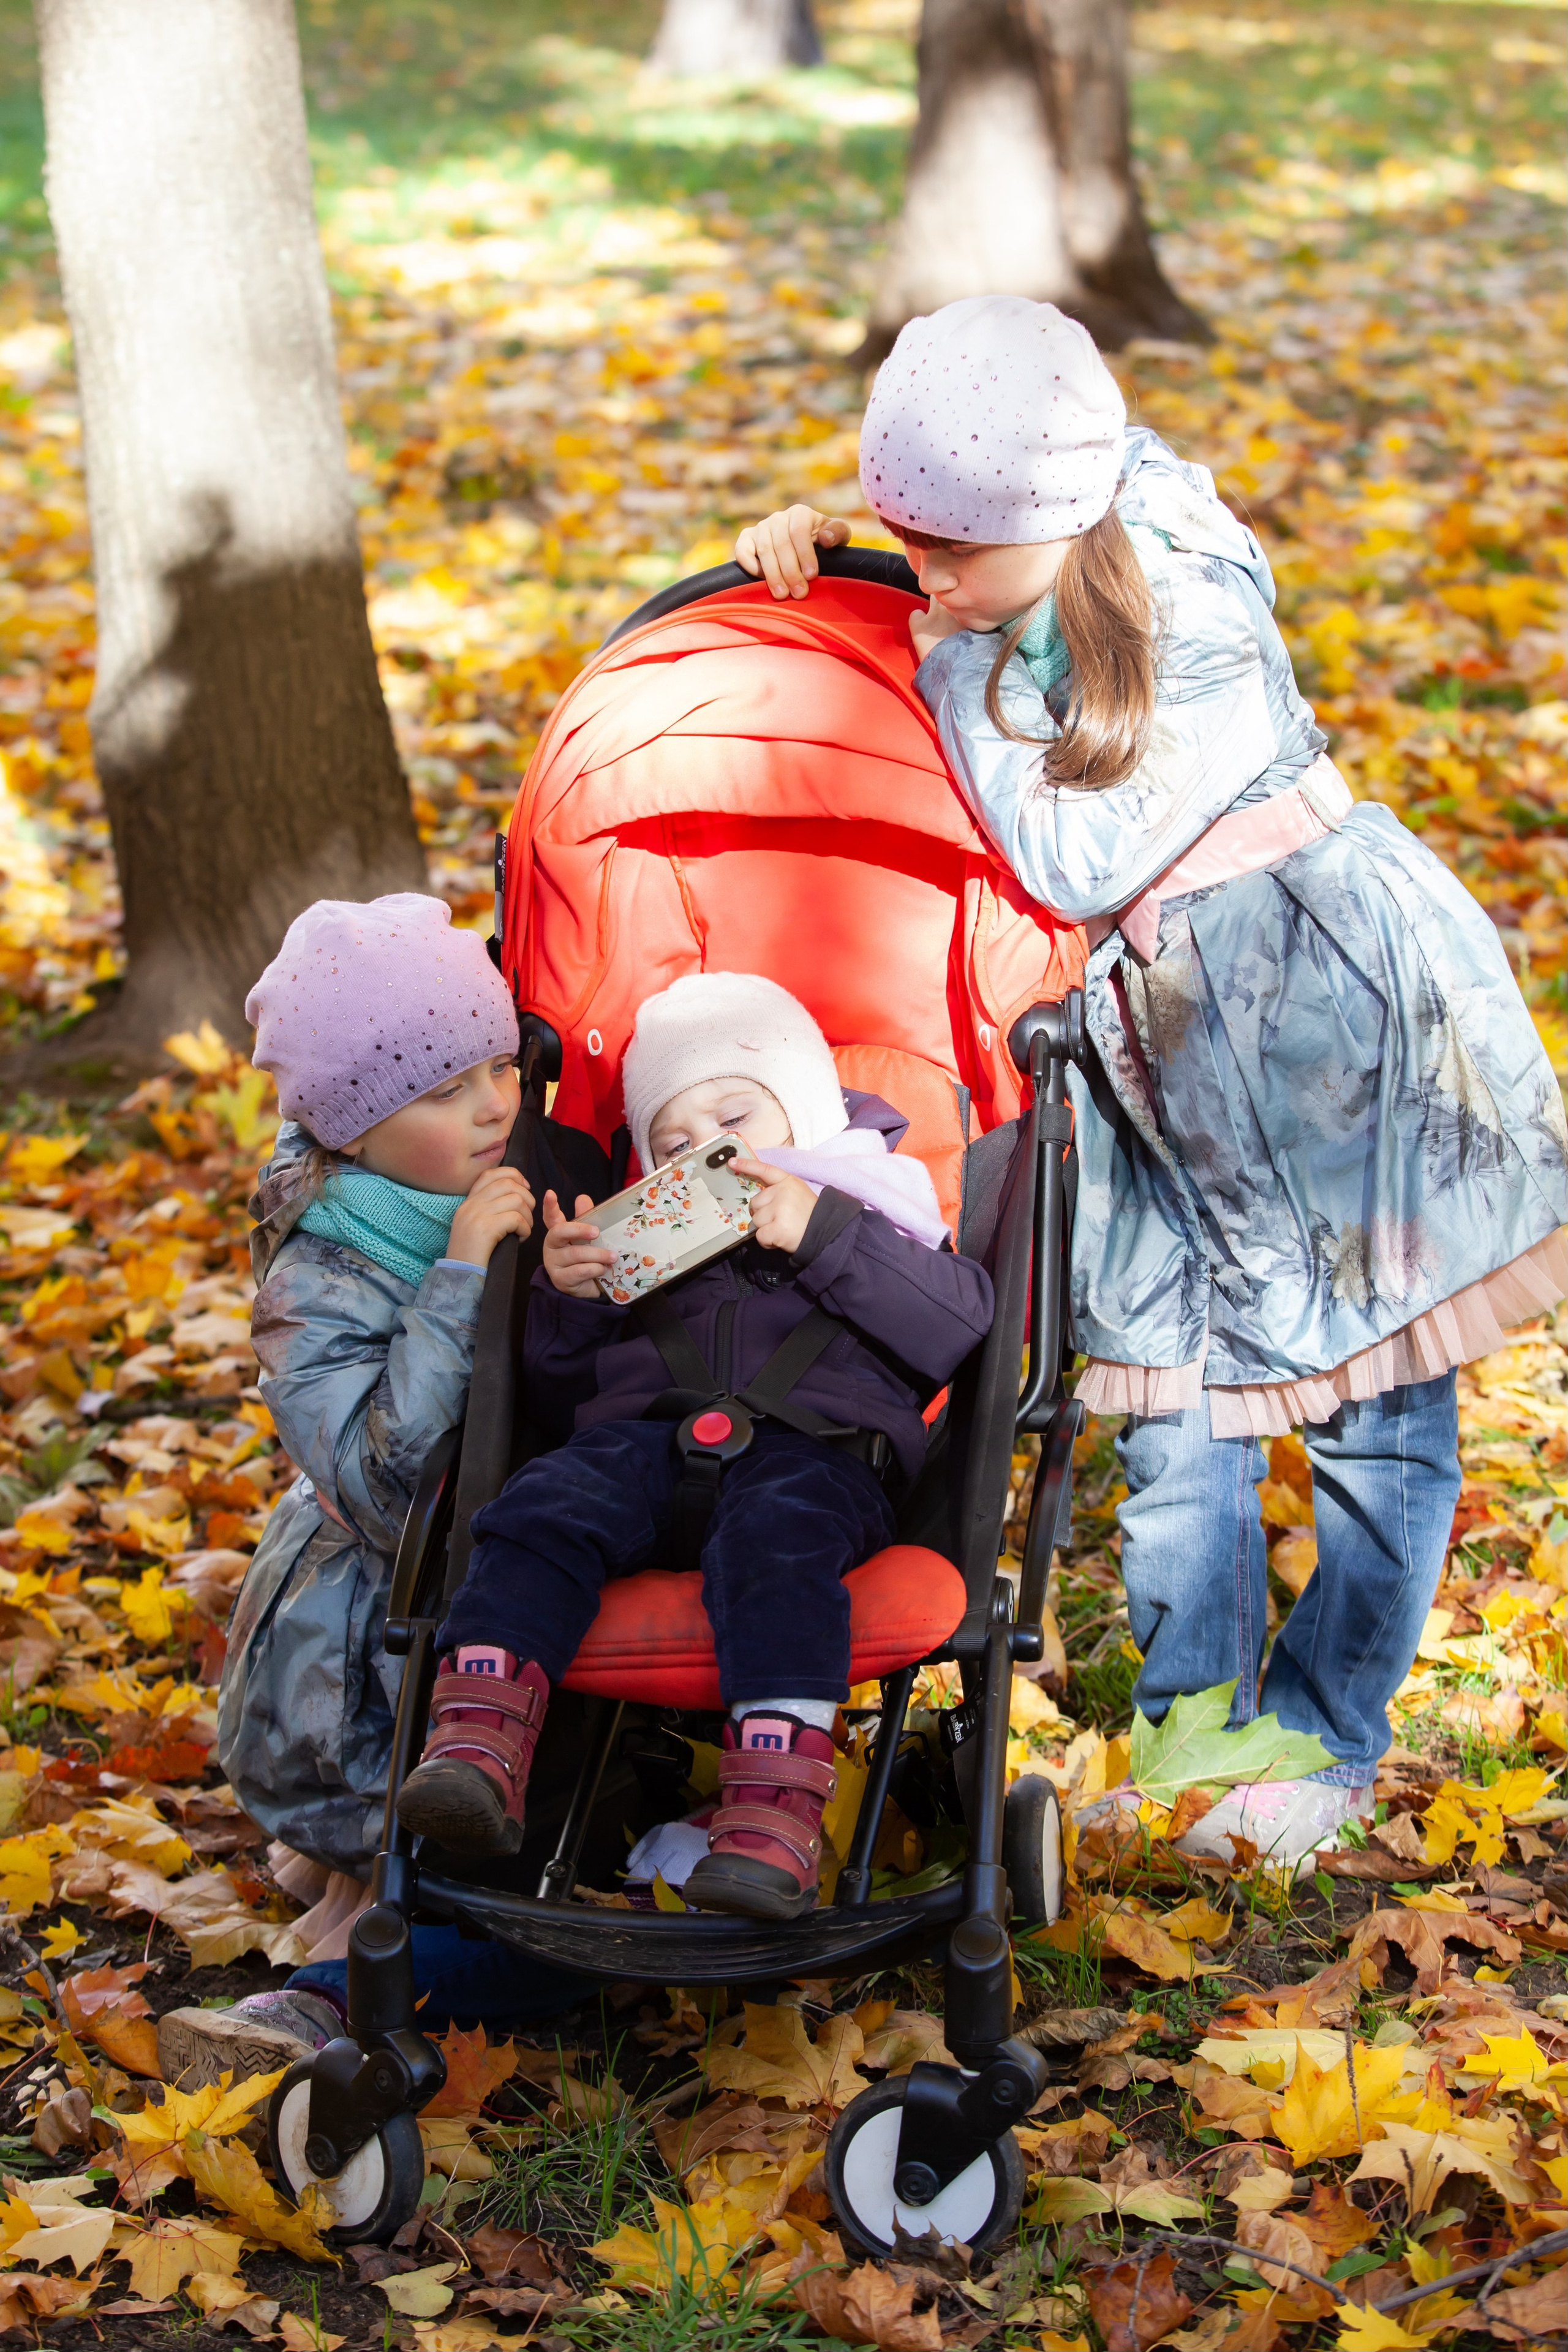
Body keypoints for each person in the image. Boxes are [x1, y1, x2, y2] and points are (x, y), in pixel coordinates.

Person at [736, 296, 1567, 1874]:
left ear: (1044, 516)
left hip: (1326, 1028)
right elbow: (974, 553)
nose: (926, 583)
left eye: (943, 552)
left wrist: (939, 652)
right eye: (904, 541)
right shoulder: (1018, 560)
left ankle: (1326, 1732)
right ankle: (1201, 1727)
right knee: (1167, 1405)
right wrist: (836, 544)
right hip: (1160, 1050)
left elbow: (1066, 850)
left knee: (1374, 1411)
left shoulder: (1182, 588)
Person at [393, 971, 994, 1921]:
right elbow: (557, 1395)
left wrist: (825, 1231)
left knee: (781, 1548)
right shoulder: (646, 1235)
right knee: (541, 1504)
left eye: (735, 1115)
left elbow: (960, 1327)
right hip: (646, 1446)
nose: (703, 1147)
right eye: (671, 1141)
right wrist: (573, 1302)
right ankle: (477, 1744)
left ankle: (772, 1810)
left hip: (816, 1454)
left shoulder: (875, 1207)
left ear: (801, 1110)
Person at [183, 894, 574, 2087]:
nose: (494, 1104)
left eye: (501, 1065)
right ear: (353, 1130)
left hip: (477, 1590)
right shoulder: (325, 1272)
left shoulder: (482, 1175)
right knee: (414, 1867)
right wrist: (464, 1280)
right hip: (361, 1652)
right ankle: (323, 2005)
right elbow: (384, 1483)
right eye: (447, 1090)